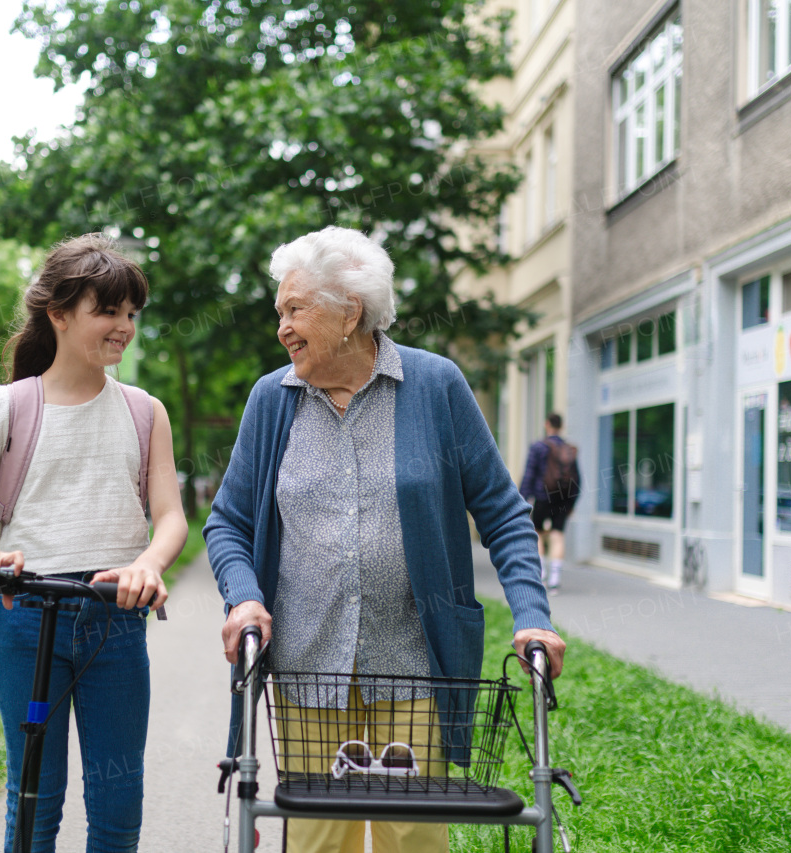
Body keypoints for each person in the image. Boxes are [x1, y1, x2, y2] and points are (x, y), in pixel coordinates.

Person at [204, 226, 565, 853]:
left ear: (350, 311)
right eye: (279, 312)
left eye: (295, 309)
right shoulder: (272, 400)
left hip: (416, 670)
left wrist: (533, 616)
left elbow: (505, 515)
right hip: (308, 669)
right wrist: (243, 598)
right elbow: (229, 522)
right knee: (319, 842)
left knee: (412, 840)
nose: (282, 327)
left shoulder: (436, 387)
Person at [0, 234, 187, 853]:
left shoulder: (145, 412)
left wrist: (149, 562)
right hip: (24, 618)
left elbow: (170, 517)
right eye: (107, 311)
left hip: (115, 619)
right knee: (33, 802)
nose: (124, 327)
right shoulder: (4, 409)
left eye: (131, 314)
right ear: (58, 315)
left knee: (118, 807)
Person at [518, 413, 581, 590]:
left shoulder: (538, 447)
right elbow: (577, 480)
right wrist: (571, 504)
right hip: (562, 499)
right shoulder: (569, 449)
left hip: (542, 496)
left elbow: (529, 474)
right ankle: (555, 578)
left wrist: (521, 499)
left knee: (537, 533)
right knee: (557, 535)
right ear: (561, 426)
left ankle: (541, 573)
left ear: (547, 425)